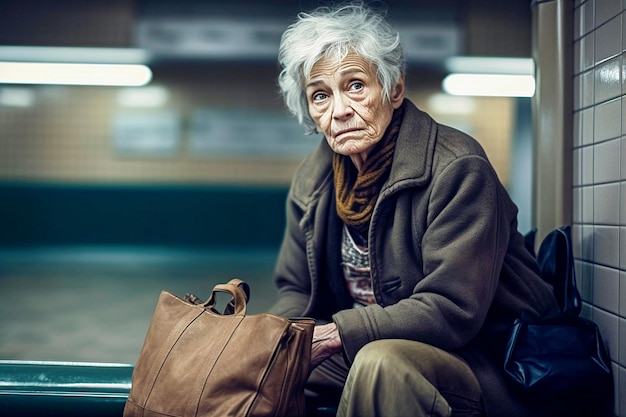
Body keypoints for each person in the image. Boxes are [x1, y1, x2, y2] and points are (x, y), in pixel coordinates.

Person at [268, 3, 559, 417]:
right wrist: (278, 345)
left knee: (380, 364)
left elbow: (451, 308)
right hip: (363, 346)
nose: (339, 110)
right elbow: (295, 290)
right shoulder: (312, 181)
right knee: (256, 370)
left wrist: (336, 335)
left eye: (355, 86)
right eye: (320, 95)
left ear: (394, 90)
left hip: (476, 360)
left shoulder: (457, 169)